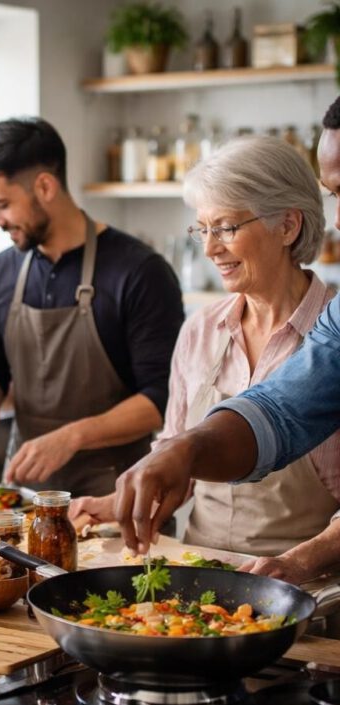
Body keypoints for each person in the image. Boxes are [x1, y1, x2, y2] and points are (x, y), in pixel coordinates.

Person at [71, 135, 340, 571]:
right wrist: (119, 500)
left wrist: (299, 562)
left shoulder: (333, 338)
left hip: (307, 588)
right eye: (202, 229)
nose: (211, 247)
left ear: (288, 227)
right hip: (199, 576)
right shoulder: (200, 330)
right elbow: (180, 454)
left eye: (227, 227)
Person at [0, 117, 184, 495]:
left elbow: (160, 399)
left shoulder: (139, 271)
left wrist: (72, 437)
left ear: (45, 186)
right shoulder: (2, 271)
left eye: (2, 205)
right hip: (23, 496)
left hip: (117, 497)